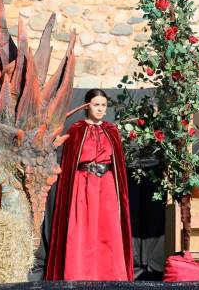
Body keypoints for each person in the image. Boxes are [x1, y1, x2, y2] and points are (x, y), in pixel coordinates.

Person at [45, 89, 133, 281]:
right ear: (87, 106)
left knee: (107, 229)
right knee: (81, 228)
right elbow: (69, 163)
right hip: (81, 183)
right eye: (96, 105)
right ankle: (78, 274)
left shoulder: (112, 130)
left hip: (107, 185)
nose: (100, 109)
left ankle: (110, 275)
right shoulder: (76, 129)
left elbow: (117, 163)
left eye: (103, 105)